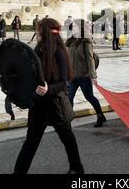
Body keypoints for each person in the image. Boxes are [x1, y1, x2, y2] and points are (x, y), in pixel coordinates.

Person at [14, 18, 84, 174]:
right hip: (38, 104)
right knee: (31, 141)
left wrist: (48, 88)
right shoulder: (38, 50)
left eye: (39, 29)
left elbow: (63, 82)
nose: (37, 32)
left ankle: (77, 168)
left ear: (45, 31)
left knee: (67, 138)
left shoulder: (59, 51)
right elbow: (29, 75)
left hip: (56, 104)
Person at [66, 19, 106, 128]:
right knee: (69, 97)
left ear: (80, 28)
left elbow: (90, 60)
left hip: (84, 76)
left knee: (89, 97)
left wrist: (93, 76)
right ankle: (67, 122)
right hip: (72, 76)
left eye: (75, 27)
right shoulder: (71, 42)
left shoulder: (86, 42)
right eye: (72, 27)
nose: (72, 29)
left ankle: (100, 115)